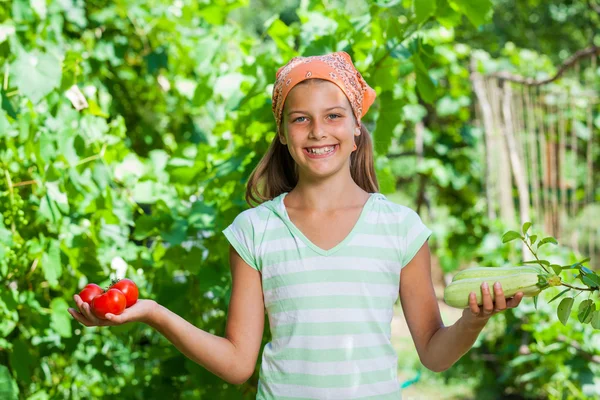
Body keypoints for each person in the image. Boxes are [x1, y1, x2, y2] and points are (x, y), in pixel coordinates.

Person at [68, 51, 524, 399]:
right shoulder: (255, 231)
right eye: (300, 119)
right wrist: (152, 311)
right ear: (283, 134)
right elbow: (237, 363)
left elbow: (432, 351)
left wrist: (471, 321)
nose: (318, 130)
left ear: (356, 129)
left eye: (334, 116)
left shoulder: (400, 227)